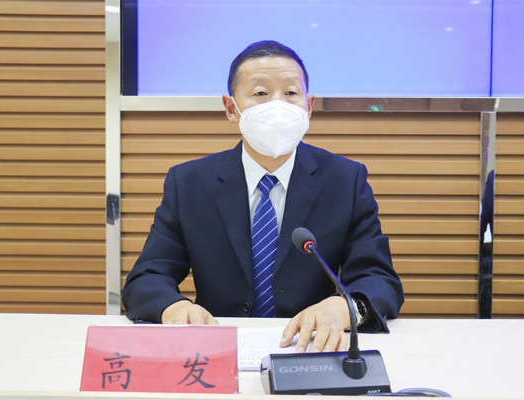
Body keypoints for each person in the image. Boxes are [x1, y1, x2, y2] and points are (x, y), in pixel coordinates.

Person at [122, 40, 404, 353]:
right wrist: (173, 308)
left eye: (291, 93)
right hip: (217, 350)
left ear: (308, 106)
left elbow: (379, 280)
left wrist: (341, 309)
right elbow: (146, 279)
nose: (278, 106)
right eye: (260, 93)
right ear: (231, 109)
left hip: (310, 348)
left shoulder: (345, 180)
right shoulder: (189, 183)